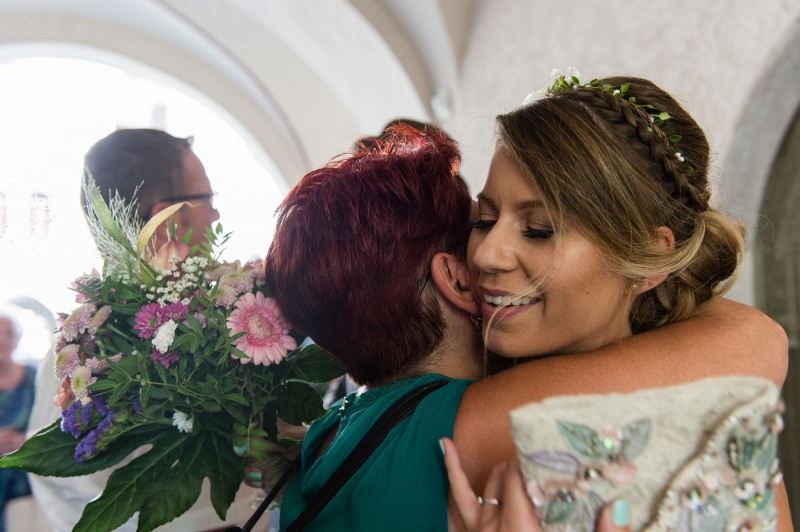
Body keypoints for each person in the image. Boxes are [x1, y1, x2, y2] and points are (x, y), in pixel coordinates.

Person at [264, 117, 788, 530]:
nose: (491, 253)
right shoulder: (479, 429)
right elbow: (751, 343)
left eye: (536, 228)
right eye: (482, 222)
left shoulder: (329, 432)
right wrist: (658, 270)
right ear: (456, 279)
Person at [27, 128, 262, 532]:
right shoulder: (83, 349)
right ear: (166, 220)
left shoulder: (223, 321)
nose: (216, 215)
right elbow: (57, 482)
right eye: (208, 199)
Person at [0, 307, 37, 532]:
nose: (2, 340)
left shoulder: (33, 378)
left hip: (28, 471)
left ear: (18, 339)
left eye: (8, 333)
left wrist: (27, 440)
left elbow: (53, 424)